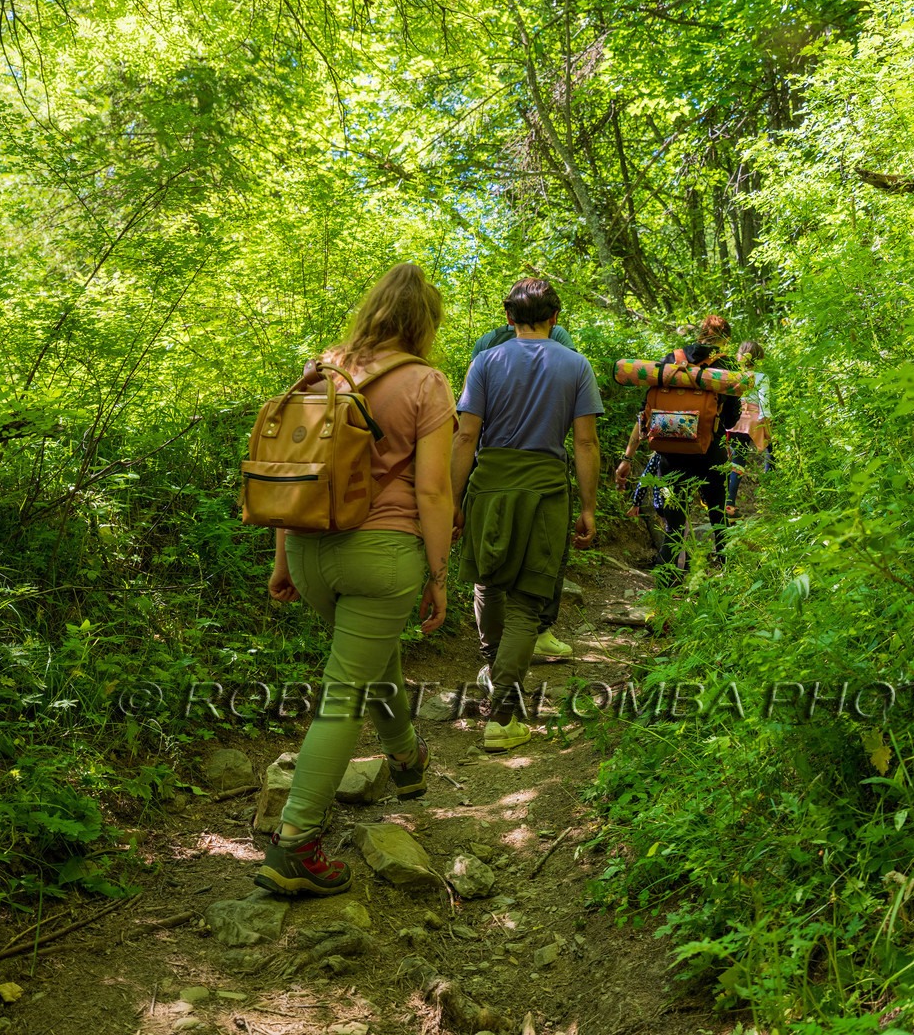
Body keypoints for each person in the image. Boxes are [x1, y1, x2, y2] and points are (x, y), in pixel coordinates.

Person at [257, 263, 454, 898]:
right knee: (344, 692)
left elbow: (291, 467)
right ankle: (296, 845)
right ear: (426, 323)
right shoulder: (427, 384)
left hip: (313, 551)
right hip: (383, 554)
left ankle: (405, 758)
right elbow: (433, 487)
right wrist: (440, 571)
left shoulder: (324, 369)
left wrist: (282, 557)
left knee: (368, 659)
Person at [452, 278, 602, 751]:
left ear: (509, 317)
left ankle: (493, 669)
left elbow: (464, 437)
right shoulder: (576, 365)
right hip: (544, 489)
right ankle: (502, 716)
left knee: (487, 583)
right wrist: (590, 506)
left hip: (489, 484)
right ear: (555, 318)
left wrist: (452, 502)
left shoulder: (485, 362)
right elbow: (584, 441)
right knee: (526, 599)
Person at [613, 315, 741, 577]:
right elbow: (731, 419)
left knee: (673, 526)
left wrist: (627, 458)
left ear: (700, 334)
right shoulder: (726, 365)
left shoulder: (672, 359)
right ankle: (729, 579)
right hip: (710, 456)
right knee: (718, 519)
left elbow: (645, 412)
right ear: (725, 339)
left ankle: (667, 589)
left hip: (670, 456)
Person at [725, 340, 772, 513]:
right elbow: (764, 405)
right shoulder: (761, 377)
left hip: (735, 421)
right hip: (753, 421)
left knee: (738, 462)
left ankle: (729, 504)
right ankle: (769, 492)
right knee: (772, 449)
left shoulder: (733, 376)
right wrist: (767, 425)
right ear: (758, 359)